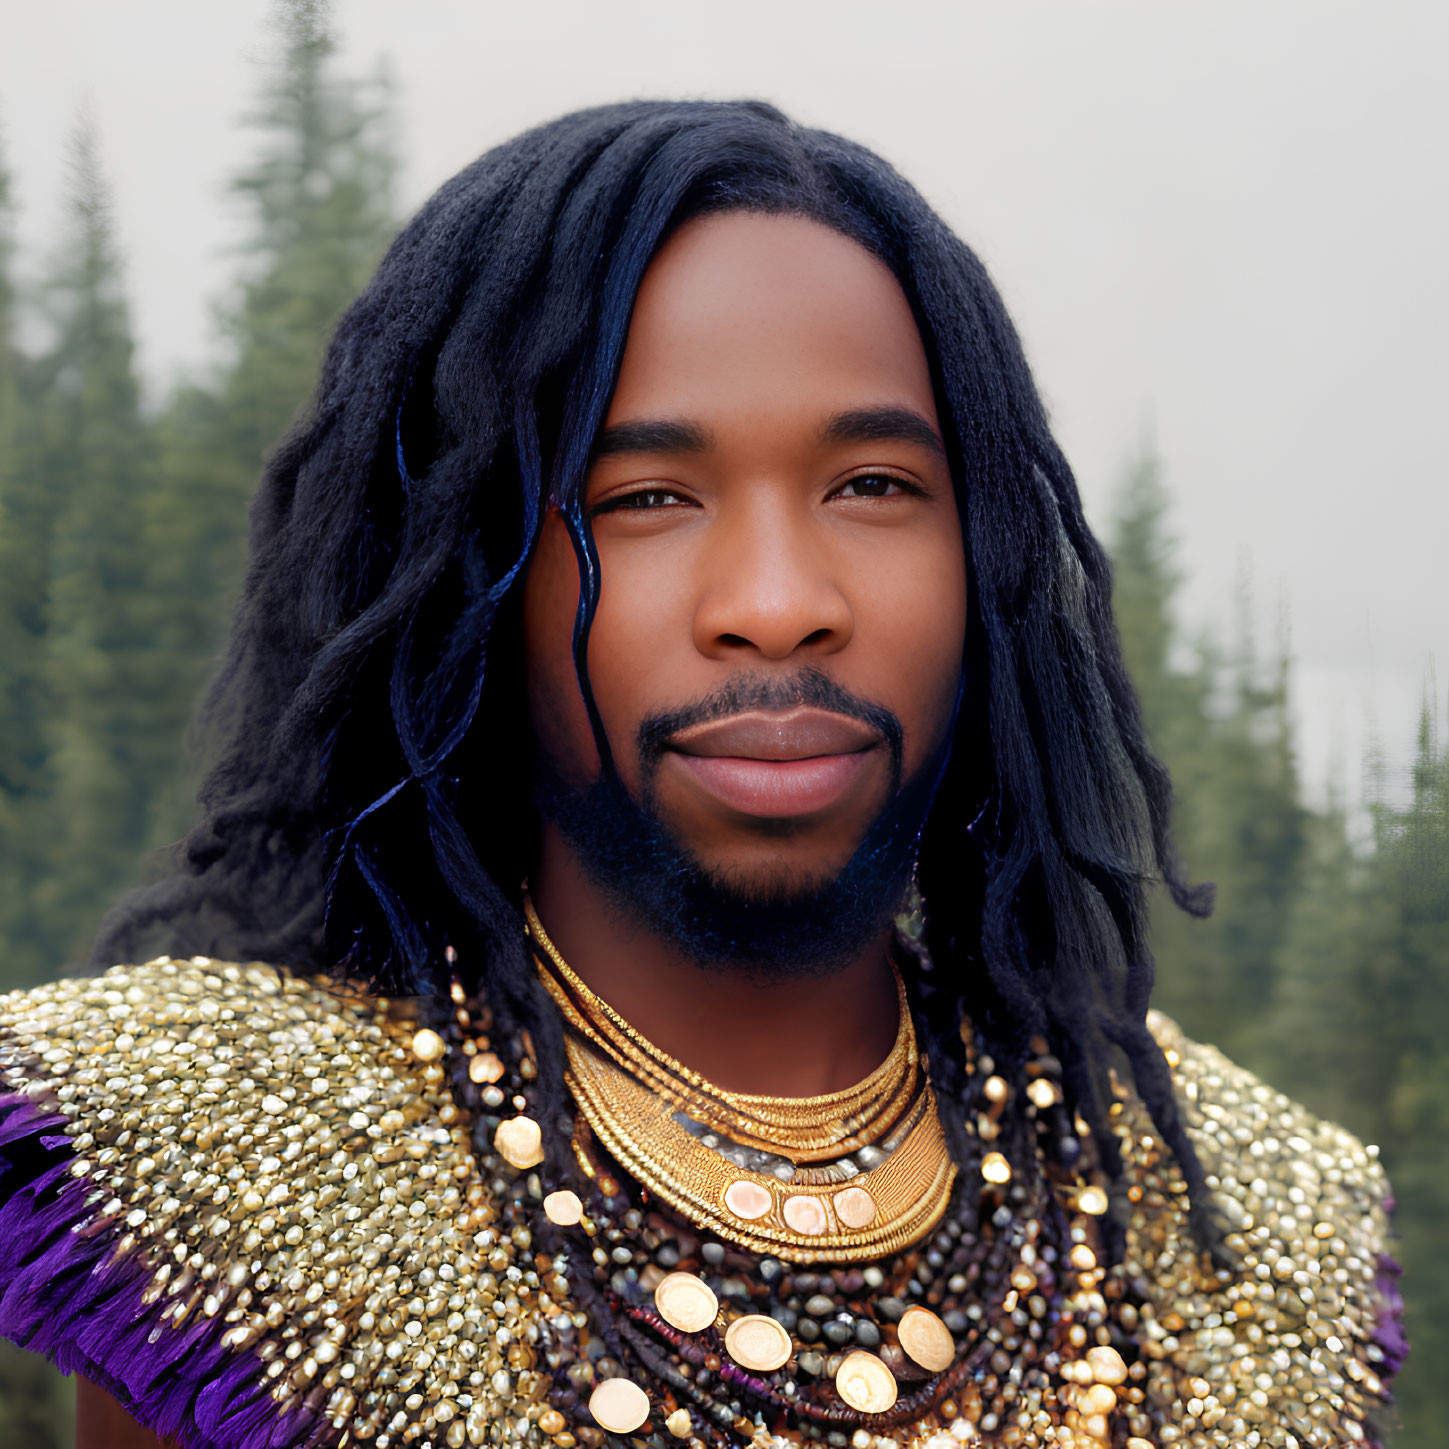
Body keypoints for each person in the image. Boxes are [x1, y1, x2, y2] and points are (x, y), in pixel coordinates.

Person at [0, 100, 1403, 1449]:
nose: (780, 601)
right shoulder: (221, 1183)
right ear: (469, 575)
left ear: (983, 564)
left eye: (871, 485)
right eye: (646, 499)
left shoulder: (1242, 1233)